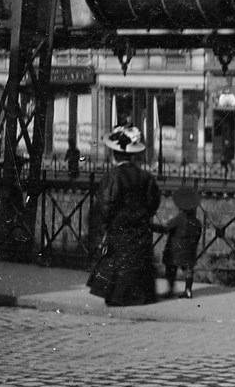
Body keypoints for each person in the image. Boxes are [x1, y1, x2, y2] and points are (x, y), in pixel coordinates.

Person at [87, 125, 162, 307]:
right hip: (140, 227)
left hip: (119, 226)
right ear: (133, 155)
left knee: (118, 260)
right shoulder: (145, 176)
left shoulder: (113, 176)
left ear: (114, 155)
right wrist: (142, 214)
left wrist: (102, 225)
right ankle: (140, 296)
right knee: (137, 260)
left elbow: (105, 203)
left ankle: (118, 297)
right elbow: (154, 200)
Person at [156, 186, 205, 299]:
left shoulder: (179, 219)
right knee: (188, 269)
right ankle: (188, 290)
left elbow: (166, 228)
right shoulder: (197, 222)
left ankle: (171, 289)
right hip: (190, 252)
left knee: (170, 267)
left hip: (175, 250)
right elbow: (197, 236)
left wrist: (153, 227)